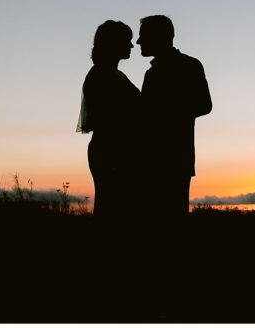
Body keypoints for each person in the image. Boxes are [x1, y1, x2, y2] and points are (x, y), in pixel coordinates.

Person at [137, 15, 212, 220]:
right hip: (153, 159)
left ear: (158, 37)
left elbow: (205, 105)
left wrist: (164, 112)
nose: (138, 42)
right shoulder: (151, 74)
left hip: (175, 158)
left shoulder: (190, 65)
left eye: (143, 36)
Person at [77, 20, 141, 221]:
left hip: (119, 148)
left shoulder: (116, 74)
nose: (131, 46)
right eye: (126, 41)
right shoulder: (100, 75)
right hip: (111, 150)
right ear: (113, 43)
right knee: (113, 209)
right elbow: (110, 117)